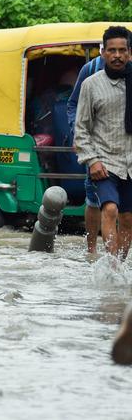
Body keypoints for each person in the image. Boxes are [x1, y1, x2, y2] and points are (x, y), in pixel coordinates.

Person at [73, 25, 132, 257]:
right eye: (112, 50)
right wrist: (92, 160)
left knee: (128, 219)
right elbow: (81, 128)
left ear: (129, 52)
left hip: (130, 162)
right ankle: (111, 266)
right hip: (104, 163)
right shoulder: (91, 85)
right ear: (103, 53)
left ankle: (121, 265)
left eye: (121, 50)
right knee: (110, 209)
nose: (117, 55)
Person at [68, 53, 107, 253]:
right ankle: (92, 250)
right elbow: (73, 104)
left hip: (123, 144)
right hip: (94, 144)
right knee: (94, 198)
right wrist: (78, 133)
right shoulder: (90, 70)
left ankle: (117, 256)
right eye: (110, 50)